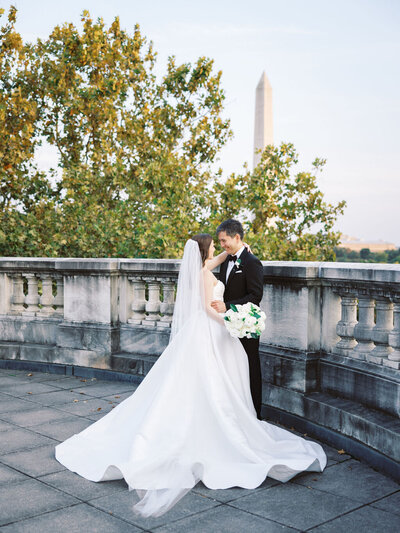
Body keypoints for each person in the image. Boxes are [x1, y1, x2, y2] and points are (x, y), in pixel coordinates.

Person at [55, 233, 326, 518]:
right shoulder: (206, 276)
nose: (217, 248)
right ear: (204, 250)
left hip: (201, 333)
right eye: (213, 245)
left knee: (199, 383)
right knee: (213, 383)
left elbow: (221, 260)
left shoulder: (204, 269)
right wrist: (234, 320)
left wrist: (242, 250)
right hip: (212, 329)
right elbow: (209, 311)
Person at [211, 219, 264, 419]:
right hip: (227, 325)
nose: (222, 245)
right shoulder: (227, 260)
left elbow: (255, 296)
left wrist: (229, 307)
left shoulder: (252, 262)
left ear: (237, 237)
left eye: (225, 241)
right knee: (233, 369)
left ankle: (255, 414)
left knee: (250, 368)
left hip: (246, 325)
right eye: (220, 242)